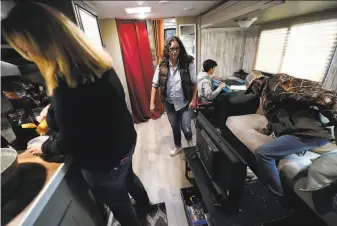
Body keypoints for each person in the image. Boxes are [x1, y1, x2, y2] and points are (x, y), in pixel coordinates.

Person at [2, 3, 150, 226]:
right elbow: (88, 108)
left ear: (34, 46)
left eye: (25, 49)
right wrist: (53, 110)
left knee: (120, 205)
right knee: (128, 178)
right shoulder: (94, 61)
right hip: (125, 143)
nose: (27, 54)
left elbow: (71, 140)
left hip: (104, 160)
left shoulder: (64, 81)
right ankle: (145, 206)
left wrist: (45, 147)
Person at [245, 71, 337, 196]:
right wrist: (266, 131)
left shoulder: (274, 84)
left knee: (263, 153)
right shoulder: (268, 94)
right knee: (272, 152)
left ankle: (276, 194)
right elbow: (275, 116)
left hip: (309, 133)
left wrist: (334, 115)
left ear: (256, 82)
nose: (253, 93)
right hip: (300, 132)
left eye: (252, 89)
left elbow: (317, 95)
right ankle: (268, 179)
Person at [150, 36, 198, 157]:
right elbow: (154, 85)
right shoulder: (162, 65)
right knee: (175, 127)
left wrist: (193, 100)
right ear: (167, 50)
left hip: (185, 103)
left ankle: (190, 142)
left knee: (186, 126)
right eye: (172, 49)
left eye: (177, 48)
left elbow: (195, 82)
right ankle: (178, 146)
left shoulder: (188, 63)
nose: (175, 51)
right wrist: (152, 102)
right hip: (169, 104)